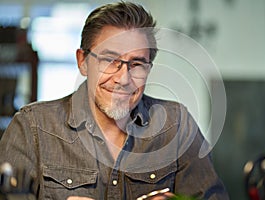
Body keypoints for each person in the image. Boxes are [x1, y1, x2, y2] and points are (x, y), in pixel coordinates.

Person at [0, 1, 229, 200]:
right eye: (110, 60)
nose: (123, 78)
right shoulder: (32, 128)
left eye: (137, 63)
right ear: (83, 62)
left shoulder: (177, 127)